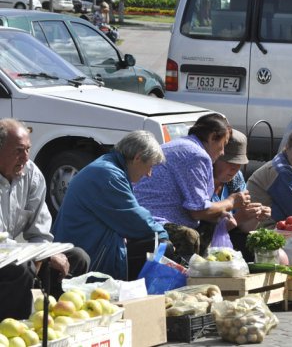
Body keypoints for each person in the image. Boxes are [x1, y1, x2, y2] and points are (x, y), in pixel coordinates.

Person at [52, 130, 173, 281]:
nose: (149, 174)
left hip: (93, 245)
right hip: (86, 255)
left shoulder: (110, 166)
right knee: (161, 244)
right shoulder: (108, 175)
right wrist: (165, 233)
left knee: (155, 241)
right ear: (137, 158)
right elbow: (136, 220)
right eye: (149, 167)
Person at [0, 119, 89, 320]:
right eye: (18, 151)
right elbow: (2, 244)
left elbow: (40, 232)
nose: (25, 158)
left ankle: (56, 322)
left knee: (77, 257)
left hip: (16, 252)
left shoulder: (30, 173)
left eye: (27, 150)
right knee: (21, 268)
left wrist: (46, 254)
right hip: (5, 254)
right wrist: (39, 256)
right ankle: (14, 328)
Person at [134, 113, 250, 257]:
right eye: (223, 144)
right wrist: (230, 202)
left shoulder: (186, 146)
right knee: (189, 236)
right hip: (153, 221)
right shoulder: (196, 155)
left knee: (211, 226)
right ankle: (186, 279)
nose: (222, 152)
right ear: (213, 137)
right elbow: (198, 211)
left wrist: (221, 213)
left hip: (146, 216)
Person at [211, 129, 271, 261]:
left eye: (239, 164)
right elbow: (206, 228)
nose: (234, 169)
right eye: (230, 162)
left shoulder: (235, 178)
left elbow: (244, 228)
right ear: (216, 157)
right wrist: (238, 218)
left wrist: (256, 216)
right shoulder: (203, 179)